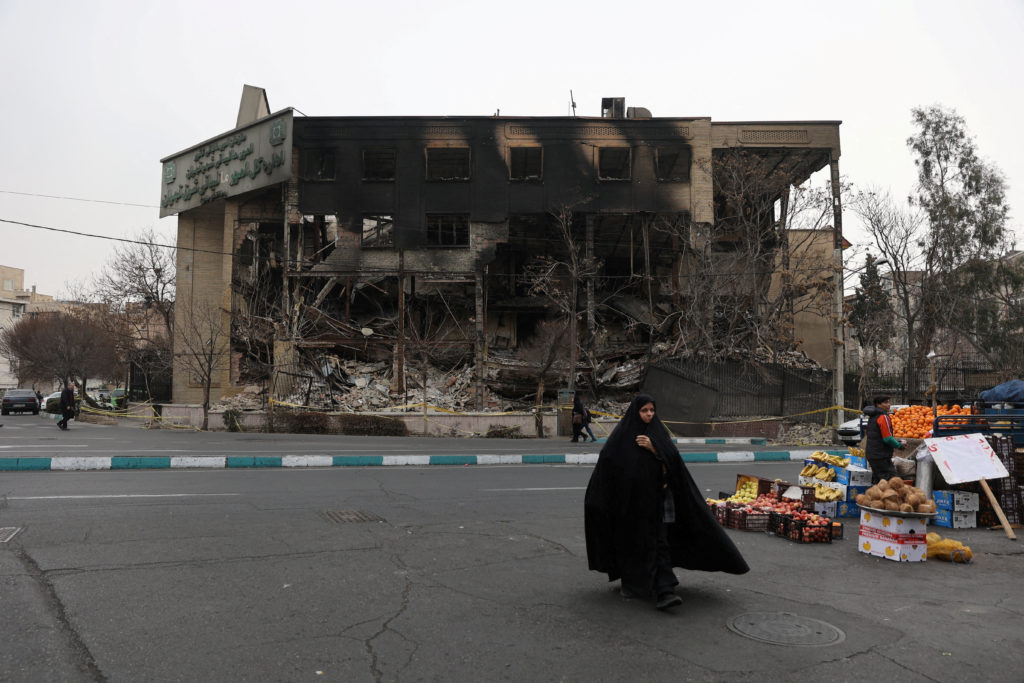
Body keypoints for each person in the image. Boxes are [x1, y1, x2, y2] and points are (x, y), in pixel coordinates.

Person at [584, 394, 749, 610]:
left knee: (659, 543)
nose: (649, 414)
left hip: (660, 502)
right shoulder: (622, 438)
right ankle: (633, 584)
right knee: (634, 544)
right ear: (636, 412)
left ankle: (665, 590)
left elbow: (673, 460)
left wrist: (654, 449)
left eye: (652, 410)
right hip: (632, 506)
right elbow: (609, 466)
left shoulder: (658, 433)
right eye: (645, 411)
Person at [862, 395, 905, 484]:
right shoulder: (883, 417)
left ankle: (874, 497)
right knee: (894, 482)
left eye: (889, 402)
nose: (889, 405)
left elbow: (878, 436)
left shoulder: (873, 416)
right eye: (886, 403)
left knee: (879, 481)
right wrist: (899, 445)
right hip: (881, 456)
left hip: (873, 454)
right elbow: (887, 438)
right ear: (878, 404)